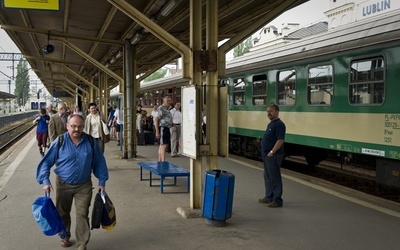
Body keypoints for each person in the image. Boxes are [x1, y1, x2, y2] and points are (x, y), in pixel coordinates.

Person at [36, 114, 109, 249]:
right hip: (63, 185)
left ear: (83, 127)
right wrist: (45, 181)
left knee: (82, 215)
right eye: (73, 126)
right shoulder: (59, 142)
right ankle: (65, 236)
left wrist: (102, 182)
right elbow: (46, 162)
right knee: (62, 213)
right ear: (67, 126)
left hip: (84, 185)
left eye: (80, 126)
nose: (76, 129)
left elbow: (99, 162)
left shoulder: (91, 142)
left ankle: (82, 245)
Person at [259, 104, 286, 208]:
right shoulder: (271, 124)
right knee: (267, 176)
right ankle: (269, 196)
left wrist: (272, 152)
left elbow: (280, 140)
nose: (268, 113)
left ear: (277, 112)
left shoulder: (279, 124)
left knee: (275, 177)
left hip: (273, 155)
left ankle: (277, 200)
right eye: (267, 111)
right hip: (267, 155)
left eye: (271, 111)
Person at [154, 96, 173, 162]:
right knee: (163, 145)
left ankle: (160, 160)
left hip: (167, 128)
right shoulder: (161, 108)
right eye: (167, 101)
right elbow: (156, 120)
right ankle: (163, 161)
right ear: (163, 102)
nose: (168, 102)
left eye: (169, 101)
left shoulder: (168, 109)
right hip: (163, 128)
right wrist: (157, 131)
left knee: (162, 145)